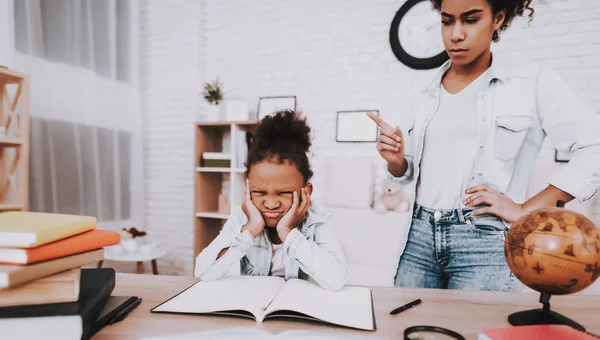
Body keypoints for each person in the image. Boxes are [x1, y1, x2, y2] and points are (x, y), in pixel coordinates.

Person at [369, 0, 600, 291]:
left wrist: (527, 210)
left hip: (486, 243)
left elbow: (594, 146)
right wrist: (396, 160)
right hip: (417, 238)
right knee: (408, 331)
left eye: (470, 19)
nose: (455, 34)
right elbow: (407, 172)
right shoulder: (421, 90)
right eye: (447, 21)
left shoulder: (531, 82)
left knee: (476, 334)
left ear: (498, 18)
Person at [195, 110, 347, 291]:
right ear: (247, 189)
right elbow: (203, 272)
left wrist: (287, 232)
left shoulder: (319, 220)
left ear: (307, 191)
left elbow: (336, 280)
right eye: (259, 192)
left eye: (283, 193)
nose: (271, 204)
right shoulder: (242, 218)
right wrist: (250, 229)